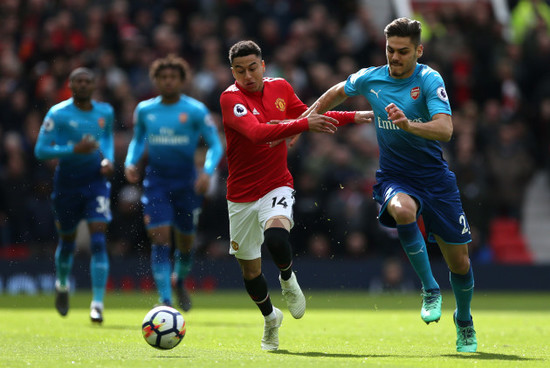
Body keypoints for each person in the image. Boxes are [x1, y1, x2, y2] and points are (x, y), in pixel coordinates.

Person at [309, 18, 477, 353]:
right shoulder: (371, 78)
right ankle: (429, 289)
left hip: (436, 179)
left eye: (403, 51)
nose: (395, 57)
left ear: (419, 50)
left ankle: (464, 321)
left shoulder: (429, 79)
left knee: (459, 262)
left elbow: (445, 130)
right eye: (390, 49)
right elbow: (337, 92)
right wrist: (305, 121)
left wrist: (409, 125)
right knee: (402, 210)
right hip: (395, 176)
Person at [219, 40, 373, 351]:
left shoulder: (281, 88)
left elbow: (310, 116)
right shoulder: (230, 98)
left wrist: (353, 117)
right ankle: (270, 318)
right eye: (240, 70)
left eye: (252, 68)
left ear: (263, 66)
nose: (247, 75)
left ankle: (288, 280)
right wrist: (298, 125)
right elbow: (256, 133)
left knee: (276, 238)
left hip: (277, 183)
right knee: (251, 273)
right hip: (241, 195)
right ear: (232, 71)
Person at [125, 54, 223, 311]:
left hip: (187, 183)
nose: (168, 82)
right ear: (155, 80)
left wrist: (207, 171)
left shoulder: (195, 110)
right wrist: (130, 162)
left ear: (182, 80)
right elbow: (137, 140)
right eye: (163, 77)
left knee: (186, 242)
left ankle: (179, 279)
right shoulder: (145, 110)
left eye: (173, 77)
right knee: (160, 238)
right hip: (156, 182)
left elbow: (214, 145)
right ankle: (166, 300)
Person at [34, 67, 114, 324]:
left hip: (96, 183)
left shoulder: (105, 112)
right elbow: (41, 150)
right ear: (70, 84)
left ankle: (98, 304)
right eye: (77, 81)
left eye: (87, 81)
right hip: (67, 185)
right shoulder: (58, 113)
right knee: (67, 242)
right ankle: (61, 284)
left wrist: (108, 160)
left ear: (94, 85)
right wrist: (73, 149)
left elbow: (108, 140)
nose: (82, 85)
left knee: (98, 240)